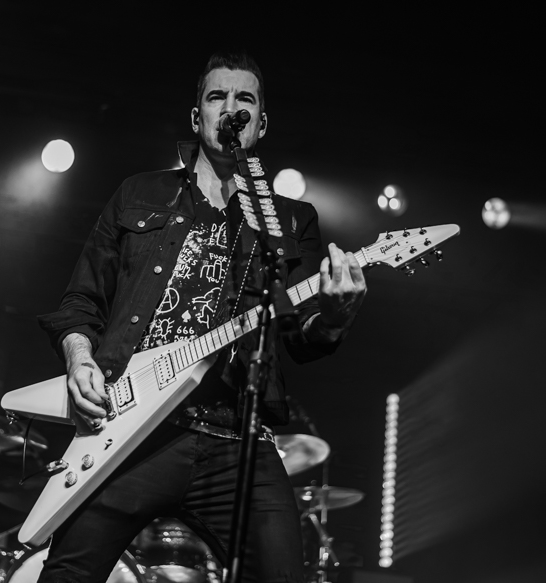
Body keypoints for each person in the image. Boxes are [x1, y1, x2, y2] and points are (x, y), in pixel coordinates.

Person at [35, 52, 366, 583]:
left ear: (260, 122)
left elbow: (302, 338)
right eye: (217, 97)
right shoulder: (140, 194)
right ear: (197, 117)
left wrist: (335, 314)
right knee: (66, 576)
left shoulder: (290, 221)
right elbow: (80, 302)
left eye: (245, 99)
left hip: (236, 440)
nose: (230, 108)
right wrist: (79, 360)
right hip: (131, 429)